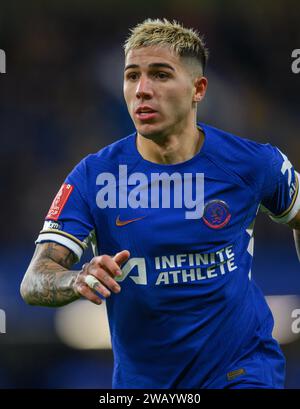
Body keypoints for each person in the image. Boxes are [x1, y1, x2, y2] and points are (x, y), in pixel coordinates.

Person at [20, 18, 300, 389]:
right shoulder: (93, 177)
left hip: (242, 369)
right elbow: (34, 280)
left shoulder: (252, 164)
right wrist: (77, 278)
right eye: (132, 76)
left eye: (161, 75)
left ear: (198, 89)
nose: (142, 90)